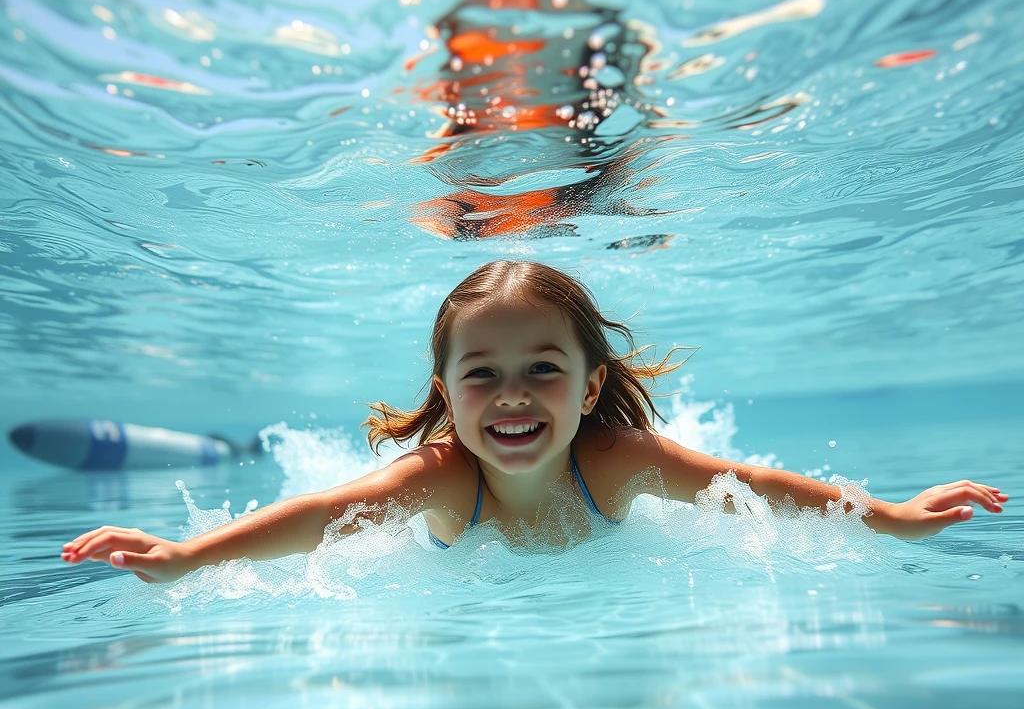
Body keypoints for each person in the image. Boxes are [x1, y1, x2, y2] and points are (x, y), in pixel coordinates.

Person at [62, 260, 1007, 584]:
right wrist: (189, 557)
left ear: (590, 388)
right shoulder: (441, 478)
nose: (513, 397)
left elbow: (754, 490)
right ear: (447, 388)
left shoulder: (622, 459)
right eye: (482, 375)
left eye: (543, 371)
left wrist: (889, 514)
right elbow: (320, 517)